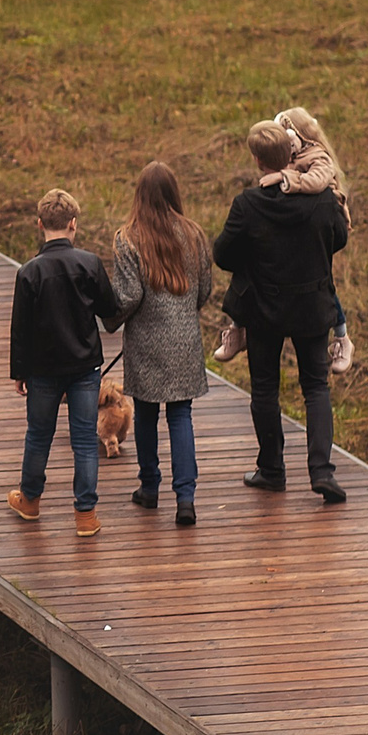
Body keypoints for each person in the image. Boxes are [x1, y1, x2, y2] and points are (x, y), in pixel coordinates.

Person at [212, 121, 351, 503]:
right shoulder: (322, 199)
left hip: (263, 310)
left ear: (257, 160)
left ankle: (272, 470)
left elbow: (222, 254)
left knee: (265, 389)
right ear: (292, 154)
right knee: (316, 387)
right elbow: (338, 237)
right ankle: (322, 471)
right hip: (312, 307)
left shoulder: (247, 204)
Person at [7, 187, 120, 537]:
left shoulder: (29, 272)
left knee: (39, 435)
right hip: (85, 369)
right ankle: (85, 516)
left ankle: (30, 501)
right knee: (85, 440)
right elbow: (111, 313)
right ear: (73, 224)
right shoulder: (89, 263)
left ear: (40, 224)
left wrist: (19, 371)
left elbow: (19, 328)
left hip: (42, 370)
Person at [107, 161, 214, 527]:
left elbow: (129, 295)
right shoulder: (195, 235)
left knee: (148, 414)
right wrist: (184, 313)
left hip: (147, 341)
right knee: (181, 415)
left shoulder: (128, 238)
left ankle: (149, 488)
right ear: (174, 193)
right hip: (184, 340)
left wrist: (109, 320)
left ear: (139, 195)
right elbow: (205, 290)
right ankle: (186, 499)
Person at [212, 105, 353, 374]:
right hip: (309, 298)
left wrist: (283, 176)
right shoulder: (294, 157)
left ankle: (343, 337)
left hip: (282, 293)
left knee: (267, 386)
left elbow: (316, 182)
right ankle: (236, 326)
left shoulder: (318, 161)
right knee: (315, 385)